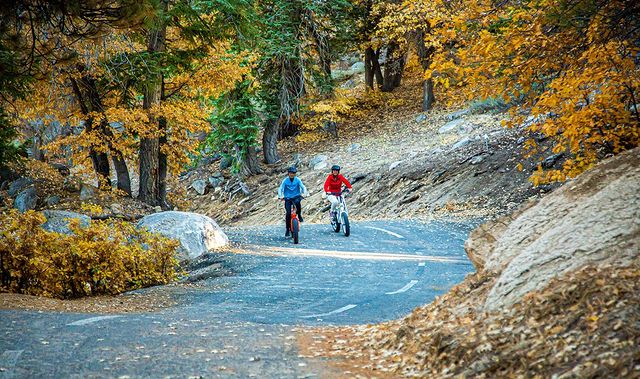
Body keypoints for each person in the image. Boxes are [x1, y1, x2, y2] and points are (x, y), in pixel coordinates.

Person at [278, 166, 308, 237]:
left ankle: (299, 214)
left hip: (296, 196)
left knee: (298, 203)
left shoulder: (297, 180)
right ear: (288, 173)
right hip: (287, 198)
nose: (292, 174)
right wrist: (280, 196)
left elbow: (303, 187)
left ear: (295, 174)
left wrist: (305, 193)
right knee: (288, 213)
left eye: (294, 173)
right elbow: (281, 188)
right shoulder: (285, 181)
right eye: (291, 173)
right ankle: (287, 229)